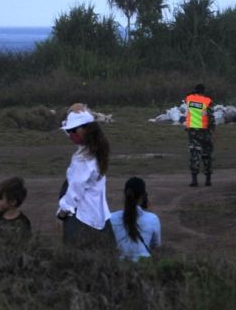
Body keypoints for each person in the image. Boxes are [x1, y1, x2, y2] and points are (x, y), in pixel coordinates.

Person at [57, 104, 112, 245]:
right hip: (101, 216)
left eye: (74, 130)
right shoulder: (97, 149)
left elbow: (75, 190)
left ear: (87, 130)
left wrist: (63, 210)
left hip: (82, 218)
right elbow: (71, 131)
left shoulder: (82, 160)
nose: (71, 134)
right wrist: (72, 111)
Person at [108, 176, 161, 261]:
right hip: (144, 266)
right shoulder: (153, 219)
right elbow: (155, 245)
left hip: (119, 268)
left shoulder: (111, 218)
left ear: (125, 195)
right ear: (143, 195)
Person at [184, 83, 215, 187]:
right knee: (207, 154)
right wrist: (212, 129)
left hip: (193, 131)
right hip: (205, 131)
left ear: (195, 91)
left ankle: (194, 180)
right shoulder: (208, 101)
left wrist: (193, 93)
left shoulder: (189, 99)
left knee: (194, 154)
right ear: (204, 91)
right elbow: (211, 116)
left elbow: (187, 96)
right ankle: (208, 179)